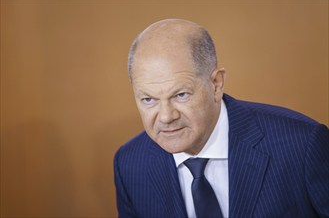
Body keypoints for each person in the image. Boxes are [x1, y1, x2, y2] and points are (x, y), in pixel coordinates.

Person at [114, 18, 329, 218]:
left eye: (181, 95)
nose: (166, 116)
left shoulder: (302, 145)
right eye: (148, 99)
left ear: (216, 84)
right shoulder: (129, 164)